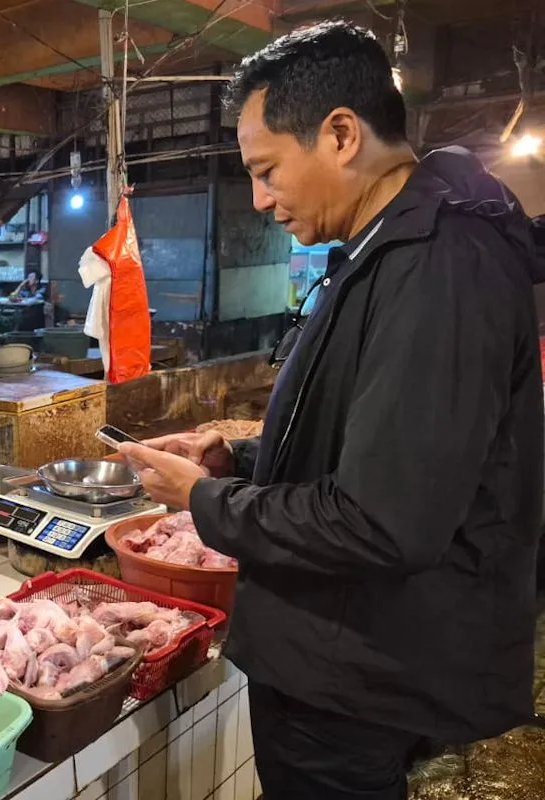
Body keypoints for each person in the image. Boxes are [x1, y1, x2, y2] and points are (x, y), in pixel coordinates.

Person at [118, 21, 544, 800]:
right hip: (348, 655)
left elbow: (383, 522)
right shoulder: (390, 247)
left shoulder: (438, 265)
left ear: (342, 134)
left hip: (357, 676)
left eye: (267, 170)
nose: (260, 198)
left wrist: (204, 500)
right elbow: (374, 443)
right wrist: (238, 457)